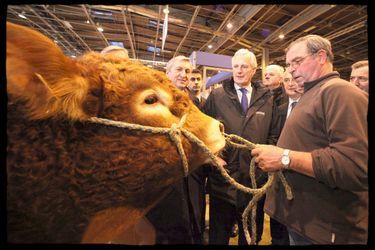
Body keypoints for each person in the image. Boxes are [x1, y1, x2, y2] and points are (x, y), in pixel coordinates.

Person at [251, 35, 368, 244]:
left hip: (326, 229)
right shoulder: (312, 93)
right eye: (288, 65)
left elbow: (354, 166)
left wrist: (284, 158)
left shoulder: (340, 92)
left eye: (297, 62)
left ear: (321, 57)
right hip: (306, 223)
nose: (291, 70)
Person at [202, 48, 275, 245]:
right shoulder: (217, 96)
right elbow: (204, 132)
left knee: (251, 235)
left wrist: (265, 159)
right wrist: (213, 158)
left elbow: (273, 134)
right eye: (235, 66)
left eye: (244, 67)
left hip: (254, 179)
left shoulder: (267, 98)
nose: (239, 71)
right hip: (223, 179)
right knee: (219, 235)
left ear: (254, 70)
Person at [145, 55, 203, 244]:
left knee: (193, 220)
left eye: (187, 71)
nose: (184, 74)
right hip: (166, 178)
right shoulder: (155, 103)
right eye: (179, 70)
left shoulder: (196, 103)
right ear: (167, 73)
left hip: (192, 175)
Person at [267, 71, 304, 246]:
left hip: (301, 174)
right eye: (287, 80)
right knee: (278, 223)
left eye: (294, 80)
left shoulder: (310, 108)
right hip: (277, 176)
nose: (290, 84)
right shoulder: (278, 109)